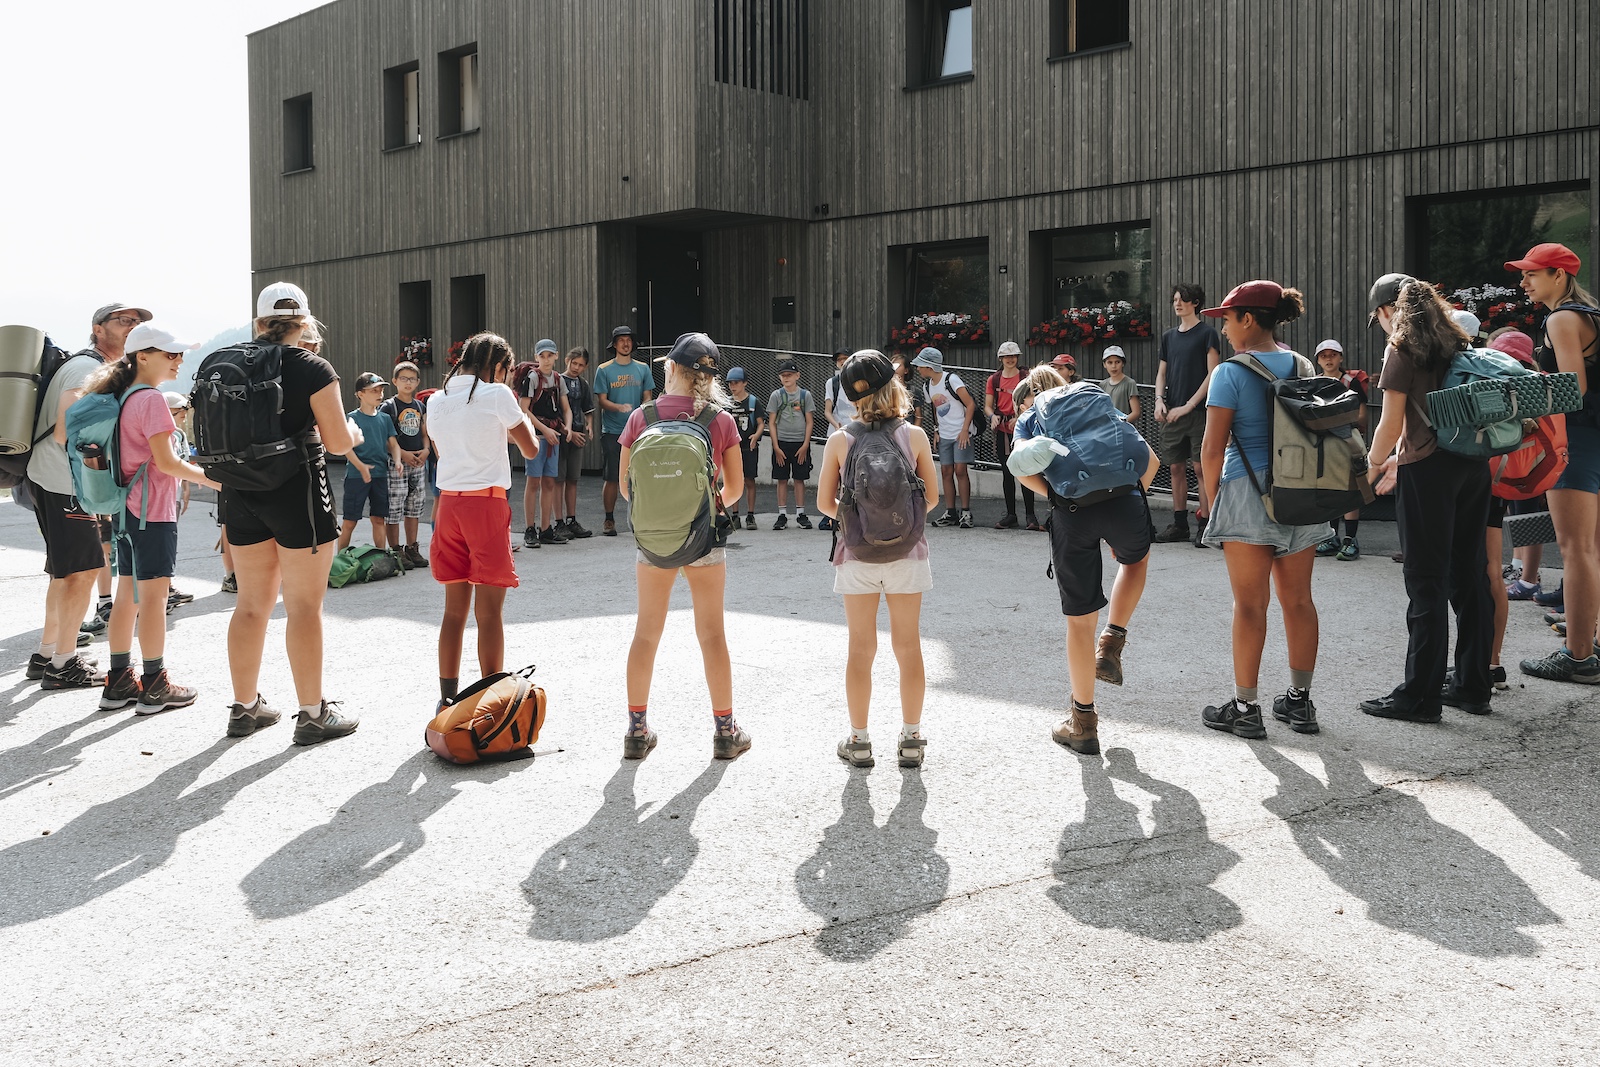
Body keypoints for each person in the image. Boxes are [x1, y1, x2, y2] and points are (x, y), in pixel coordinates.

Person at [222, 282, 360, 744]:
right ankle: (313, 714)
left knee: (250, 605)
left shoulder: (230, 361)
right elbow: (337, 442)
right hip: (297, 492)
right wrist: (356, 435)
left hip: (240, 491)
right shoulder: (311, 366)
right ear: (304, 323)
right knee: (303, 607)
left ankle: (244, 708)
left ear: (260, 322)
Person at [1359, 273, 1494, 719]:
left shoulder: (1402, 349)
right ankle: (1473, 686)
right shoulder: (1457, 342)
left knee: (1426, 581)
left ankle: (1419, 696)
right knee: (1470, 576)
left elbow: (1390, 424)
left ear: (1386, 311)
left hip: (1428, 469)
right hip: (1472, 465)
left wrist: (1371, 466)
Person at [1008, 373, 1160, 756]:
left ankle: (1083, 725)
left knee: (1079, 623)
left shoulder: (1030, 417)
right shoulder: (1096, 406)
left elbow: (1022, 470)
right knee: (1136, 560)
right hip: (1126, 502)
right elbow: (1151, 460)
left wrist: (1057, 496)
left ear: (1030, 397)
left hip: (1072, 512)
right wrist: (1123, 503)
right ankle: (1112, 642)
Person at [1196, 280, 1323, 738]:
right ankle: (1300, 703)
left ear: (1248, 319)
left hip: (1247, 491)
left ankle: (1245, 709)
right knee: (1299, 600)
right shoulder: (1304, 365)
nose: (1224, 329)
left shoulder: (1229, 373)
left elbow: (1212, 448)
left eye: (1228, 319)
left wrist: (1213, 502)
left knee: (1250, 605)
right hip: (1304, 491)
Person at [618, 333, 749, 760]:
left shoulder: (641, 417)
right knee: (712, 634)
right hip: (703, 539)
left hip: (653, 540)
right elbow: (735, 489)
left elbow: (626, 488)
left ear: (671, 368)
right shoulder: (719, 420)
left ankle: (637, 730)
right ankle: (725, 732)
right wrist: (702, 508)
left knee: (646, 633)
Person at [85, 324, 220, 714]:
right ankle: (156, 684)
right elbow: (168, 462)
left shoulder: (124, 396)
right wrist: (217, 481)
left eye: (179, 354)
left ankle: (118, 682)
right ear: (142, 356)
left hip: (126, 512)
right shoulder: (152, 400)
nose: (179, 360)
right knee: (154, 600)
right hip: (151, 513)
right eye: (170, 354)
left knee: (126, 596)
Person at [815, 350, 940, 768]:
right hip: (908, 554)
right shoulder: (914, 436)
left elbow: (824, 504)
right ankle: (911, 739)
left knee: (860, 648)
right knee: (908, 645)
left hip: (856, 556)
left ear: (850, 397)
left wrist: (860, 519)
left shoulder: (840, 440)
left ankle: (859, 740)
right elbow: (932, 498)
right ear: (895, 385)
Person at [23, 302, 151, 689]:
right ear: (98, 328)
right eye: (124, 320)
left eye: (138, 322)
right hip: (66, 481)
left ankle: (47, 654)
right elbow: (67, 429)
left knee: (65, 571)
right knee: (83, 572)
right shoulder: (86, 368)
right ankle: (64, 665)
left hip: (52, 477)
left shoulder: (92, 365)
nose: (133, 326)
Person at [426, 332, 540, 709]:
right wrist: (517, 418)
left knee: (453, 611)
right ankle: (492, 701)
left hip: (448, 505)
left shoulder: (437, 400)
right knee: (489, 612)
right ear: (498, 366)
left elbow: (445, 450)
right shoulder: (497, 394)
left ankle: (446, 699)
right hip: (485, 505)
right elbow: (530, 448)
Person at [1508, 244, 1600, 683]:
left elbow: (1571, 389)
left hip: (1575, 442)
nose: (1524, 281)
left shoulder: (1561, 319)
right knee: (1593, 548)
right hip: (1594, 438)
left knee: (1575, 550)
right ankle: (1592, 643)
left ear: (1559, 275)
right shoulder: (1591, 315)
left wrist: (1516, 393)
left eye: (1532, 273)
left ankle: (1578, 658)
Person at [1154, 283, 1224, 545]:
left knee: (1201, 467)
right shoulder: (1168, 336)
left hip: (1200, 412)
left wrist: (1189, 405)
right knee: (1175, 467)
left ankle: (1206, 524)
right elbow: (1161, 373)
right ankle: (1180, 523)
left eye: (1182, 299)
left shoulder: (1208, 334)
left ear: (1195, 303)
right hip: (1172, 411)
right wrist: (1159, 401)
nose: (1177, 303)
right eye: (1175, 299)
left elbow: (1213, 373)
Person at [1311, 339, 1370, 561]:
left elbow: (1362, 415)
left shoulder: (1351, 382)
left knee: (1350, 488)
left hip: (1348, 440)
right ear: (1318, 360)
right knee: (1329, 487)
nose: (1328, 359)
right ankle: (1332, 537)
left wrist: (1334, 421)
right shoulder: (1314, 383)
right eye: (1323, 355)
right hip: (1325, 442)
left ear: (1341, 358)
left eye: (1333, 355)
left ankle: (1350, 539)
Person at [594, 325, 654, 537]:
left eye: (628, 340)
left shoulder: (643, 368)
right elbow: (601, 401)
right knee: (612, 477)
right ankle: (609, 519)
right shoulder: (604, 370)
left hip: (639, 432)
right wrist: (618, 407)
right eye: (621, 340)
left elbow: (648, 396)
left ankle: (641, 518)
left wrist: (642, 410)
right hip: (613, 431)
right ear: (614, 344)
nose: (625, 343)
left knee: (640, 477)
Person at [337, 372, 402, 554]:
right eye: (374, 390)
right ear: (360, 394)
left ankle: (381, 556)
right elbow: (346, 448)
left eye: (381, 390)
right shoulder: (351, 418)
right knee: (350, 521)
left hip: (380, 475)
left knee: (379, 519)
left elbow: (393, 445)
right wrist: (361, 466)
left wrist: (397, 460)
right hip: (356, 477)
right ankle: (340, 559)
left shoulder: (385, 419)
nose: (379, 394)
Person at [914, 346, 976, 528]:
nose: (918, 369)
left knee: (960, 470)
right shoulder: (927, 385)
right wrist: (936, 430)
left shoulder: (952, 379)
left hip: (960, 432)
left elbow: (970, 404)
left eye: (920, 365)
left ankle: (966, 512)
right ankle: (951, 512)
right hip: (945, 433)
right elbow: (936, 408)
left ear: (929, 366)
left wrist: (965, 429)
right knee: (946, 471)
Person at [519, 339, 571, 546]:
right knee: (533, 482)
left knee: (549, 482)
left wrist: (567, 427)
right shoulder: (532, 378)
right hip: (536, 437)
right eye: (542, 356)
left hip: (553, 437)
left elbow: (566, 408)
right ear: (536, 357)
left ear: (556, 356)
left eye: (550, 355)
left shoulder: (558, 379)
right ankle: (530, 529)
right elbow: (523, 409)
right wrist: (545, 430)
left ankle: (546, 528)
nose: (546, 359)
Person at [381, 360, 430, 568]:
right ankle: (395, 549)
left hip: (417, 463)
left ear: (418, 382)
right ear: (395, 381)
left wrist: (426, 450)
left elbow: (425, 432)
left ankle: (412, 548)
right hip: (397, 464)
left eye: (411, 379)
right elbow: (385, 438)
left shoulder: (419, 406)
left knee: (414, 506)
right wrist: (403, 454)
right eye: (403, 379)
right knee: (394, 506)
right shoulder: (388, 407)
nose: (408, 383)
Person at [986, 340, 1032, 529]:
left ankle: (1031, 516)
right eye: (1006, 356)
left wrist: (1019, 417)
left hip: (1024, 430)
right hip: (1003, 432)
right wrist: (992, 417)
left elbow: (1034, 401)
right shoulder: (994, 379)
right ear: (1001, 358)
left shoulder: (1026, 377)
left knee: (1026, 471)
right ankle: (1011, 515)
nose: (1010, 359)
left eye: (1013, 356)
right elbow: (988, 406)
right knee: (1007, 473)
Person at [767, 358, 815, 529]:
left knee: (799, 478)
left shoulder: (805, 395)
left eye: (789, 374)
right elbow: (771, 422)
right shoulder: (776, 395)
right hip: (781, 443)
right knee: (782, 479)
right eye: (783, 375)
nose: (786, 378)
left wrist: (805, 445)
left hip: (800, 443)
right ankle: (782, 514)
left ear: (797, 376)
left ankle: (801, 513)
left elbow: (809, 421)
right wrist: (776, 446)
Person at [557, 346, 595, 538]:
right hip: (559, 435)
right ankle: (558, 522)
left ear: (585, 367)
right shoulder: (557, 381)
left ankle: (571, 519)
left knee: (573, 478)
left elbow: (588, 408)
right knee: (558, 479)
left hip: (578, 433)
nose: (576, 368)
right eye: (574, 363)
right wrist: (567, 431)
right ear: (567, 361)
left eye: (581, 365)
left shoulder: (583, 384)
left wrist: (589, 425)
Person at [820, 349, 856, 531]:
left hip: (857, 433)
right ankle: (830, 515)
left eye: (845, 359)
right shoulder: (832, 383)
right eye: (839, 360)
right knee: (834, 475)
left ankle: (849, 513)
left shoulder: (858, 380)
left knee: (850, 476)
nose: (842, 362)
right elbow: (827, 411)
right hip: (836, 434)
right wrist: (836, 425)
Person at [726, 366, 765, 529]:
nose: (733, 386)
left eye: (736, 382)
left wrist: (756, 435)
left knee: (749, 480)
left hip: (749, 447)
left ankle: (750, 514)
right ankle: (735, 515)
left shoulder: (753, 402)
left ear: (745, 383)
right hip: (732, 448)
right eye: (730, 383)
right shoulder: (727, 402)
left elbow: (761, 423)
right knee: (734, 481)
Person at [1099, 345, 1141, 421]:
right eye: (1110, 362)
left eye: (1117, 362)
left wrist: (1121, 422)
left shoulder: (1130, 383)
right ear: (1104, 364)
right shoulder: (1102, 385)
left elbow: (1136, 412)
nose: (1114, 366)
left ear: (1123, 363)